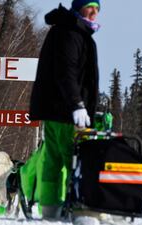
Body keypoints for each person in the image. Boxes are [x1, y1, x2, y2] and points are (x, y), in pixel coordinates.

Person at [28, 0, 101, 220]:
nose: (94, 13)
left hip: (56, 109)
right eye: (90, 7)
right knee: (74, 159)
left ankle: (51, 208)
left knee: (54, 158)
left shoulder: (69, 30)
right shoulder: (71, 33)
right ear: (78, 8)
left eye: (97, 9)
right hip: (65, 111)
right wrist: (77, 104)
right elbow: (66, 72)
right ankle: (79, 210)